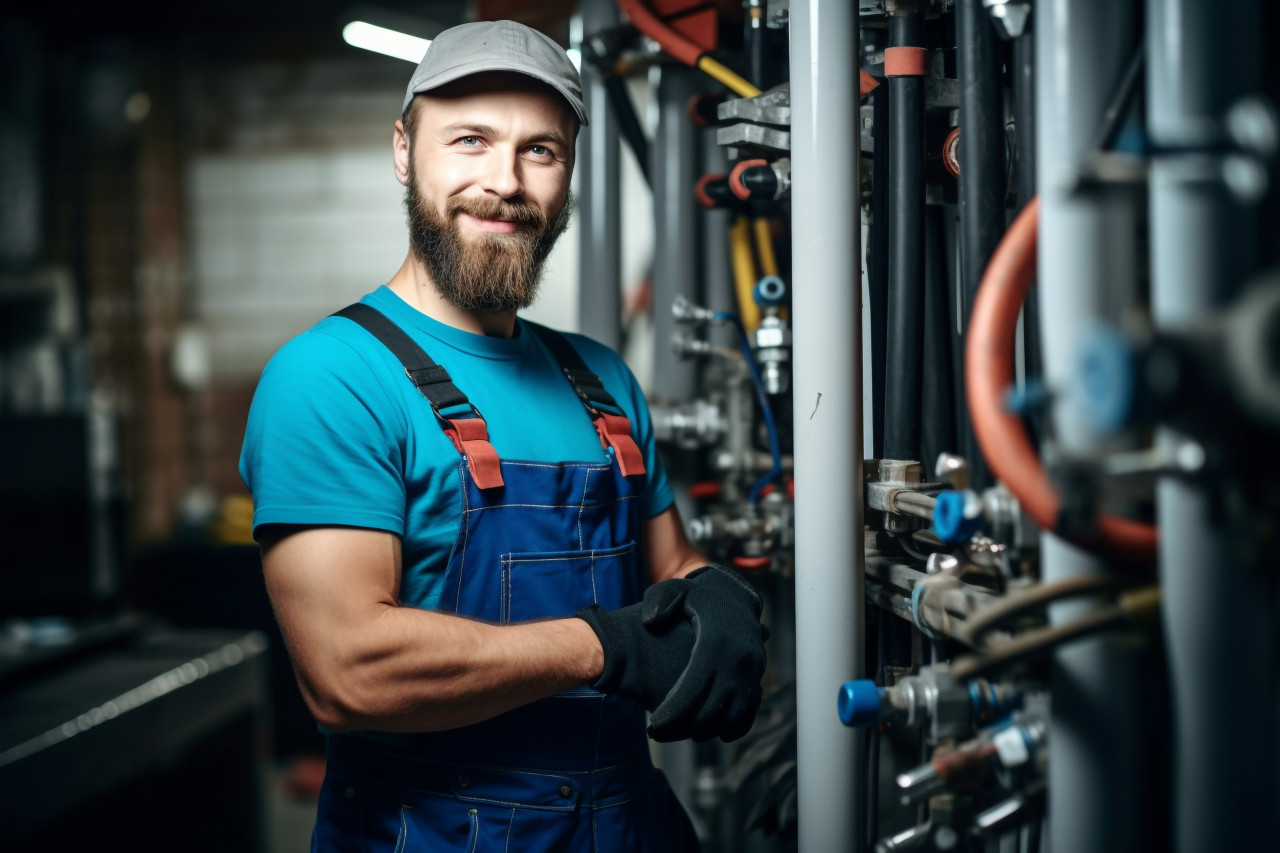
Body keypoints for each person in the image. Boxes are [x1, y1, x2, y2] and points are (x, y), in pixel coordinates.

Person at [239, 18, 768, 852]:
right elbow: (348, 668)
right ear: (405, 151)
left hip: (627, 826)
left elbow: (671, 570)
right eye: (471, 141)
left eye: (541, 150)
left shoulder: (601, 379)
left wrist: (718, 598)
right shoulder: (332, 377)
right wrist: (598, 646)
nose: (505, 182)